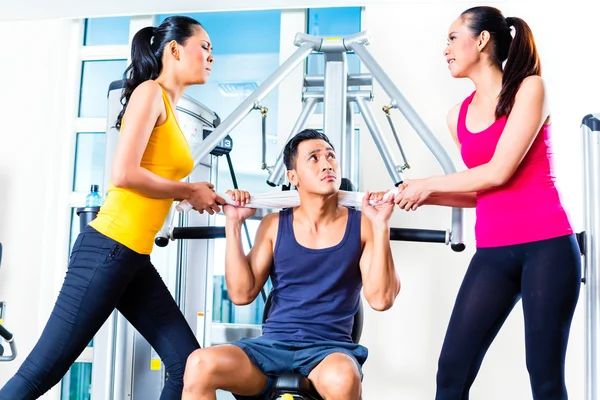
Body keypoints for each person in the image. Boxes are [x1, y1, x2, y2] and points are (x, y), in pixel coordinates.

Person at [0, 16, 224, 400]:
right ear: (174, 49)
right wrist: (186, 190)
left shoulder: (167, 105)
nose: (210, 57)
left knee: (188, 364)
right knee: (40, 374)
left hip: (133, 256)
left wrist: (197, 193)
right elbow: (123, 173)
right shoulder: (149, 93)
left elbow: (155, 179)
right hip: (107, 248)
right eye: (204, 47)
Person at [391, 6, 581, 399]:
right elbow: (481, 193)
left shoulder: (530, 88)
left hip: (547, 247)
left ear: (481, 40)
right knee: (451, 372)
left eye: (452, 37)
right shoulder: (456, 116)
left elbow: (499, 172)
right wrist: (419, 196)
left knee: (544, 376)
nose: (444, 49)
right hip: (493, 253)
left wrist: (428, 185)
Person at [181, 129, 401, 400]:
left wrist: (381, 227)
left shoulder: (363, 225)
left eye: (330, 156)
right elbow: (241, 294)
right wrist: (233, 224)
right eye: (314, 158)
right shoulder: (273, 225)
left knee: (344, 377)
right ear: (293, 177)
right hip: (270, 348)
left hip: (328, 351)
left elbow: (381, 299)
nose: (326, 163)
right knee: (199, 364)